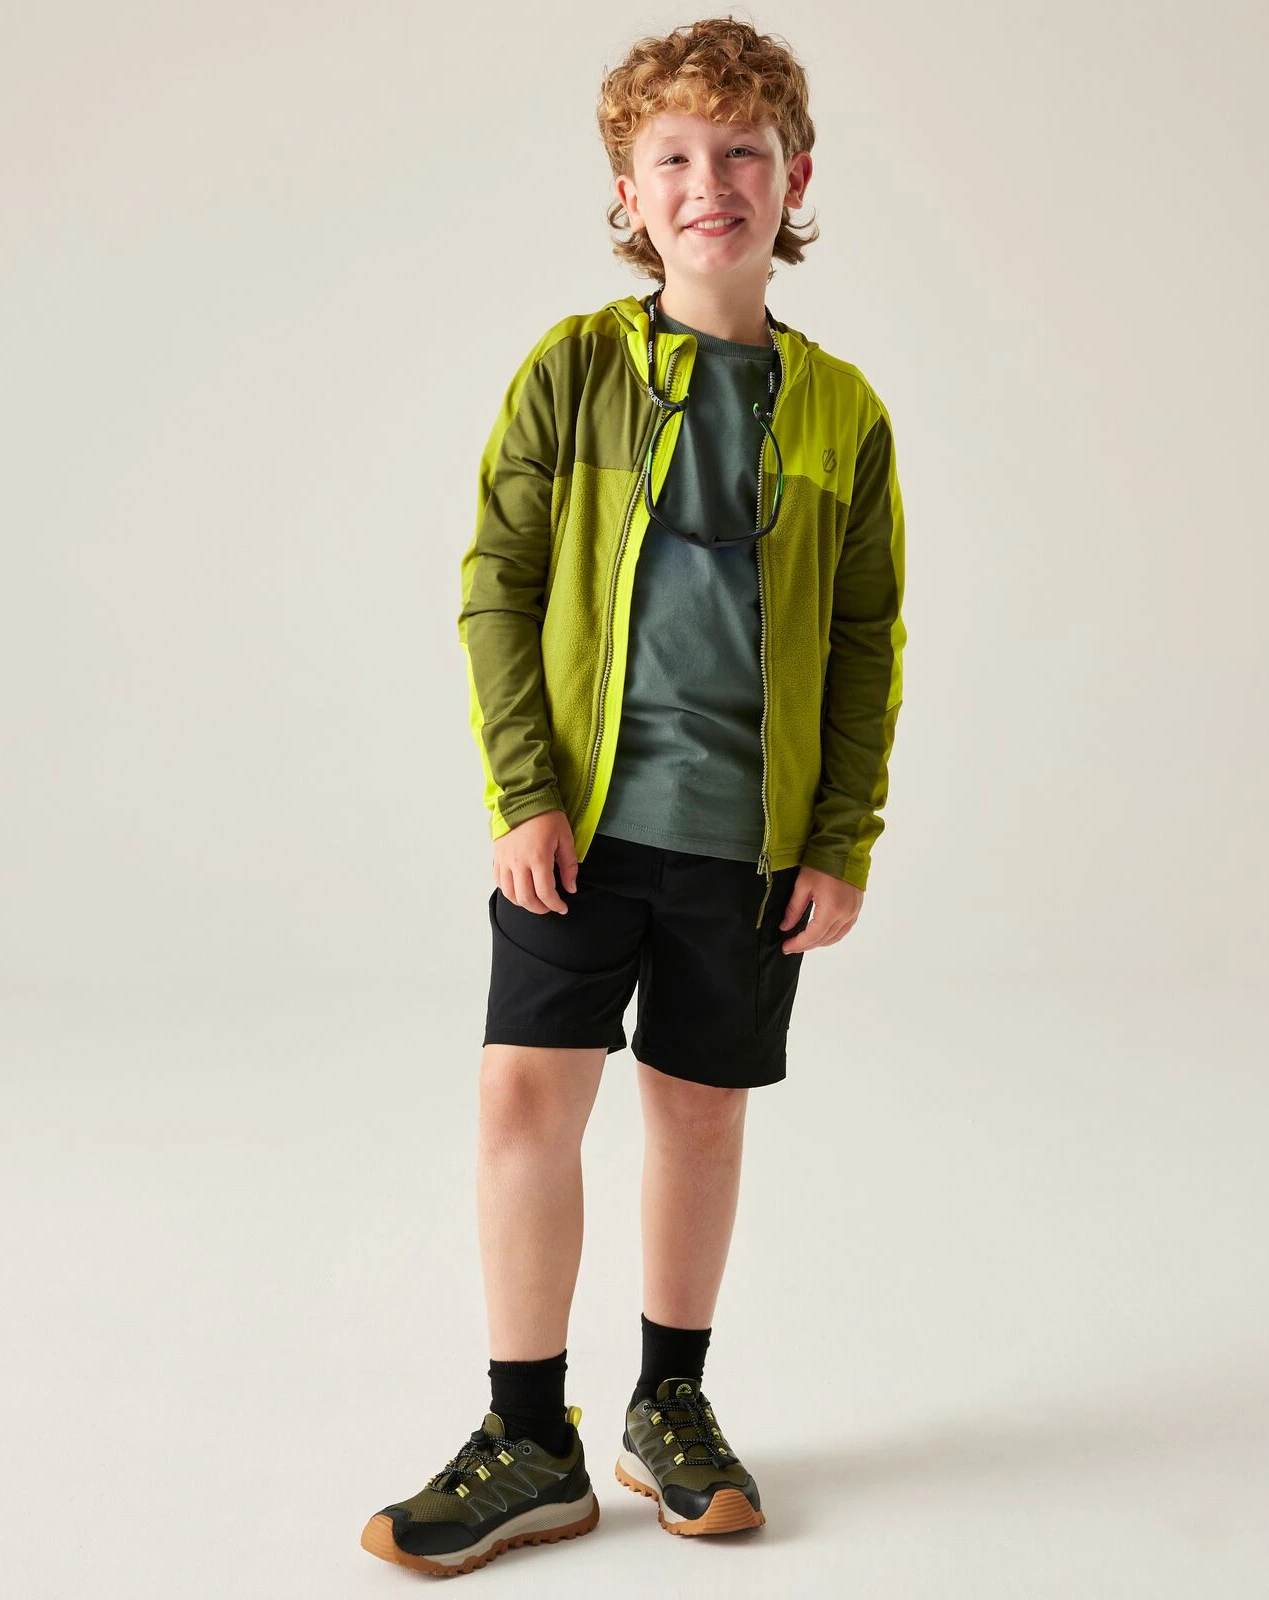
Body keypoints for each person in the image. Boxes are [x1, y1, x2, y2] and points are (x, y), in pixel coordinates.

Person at [361, 16, 906, 1577]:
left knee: (699, 1112)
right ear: (628, 192)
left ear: (795, 177)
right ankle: (528, 1437)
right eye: (673, 156)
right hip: (580, 834)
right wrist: (523, 792)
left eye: (742, 152)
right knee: (525, 1099)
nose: (708, 182)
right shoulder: (576, 369)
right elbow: (498, 585)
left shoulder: (844, 413)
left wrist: (839, 838)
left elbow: (865, 640)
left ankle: (672, 1401)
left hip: (749, 847)